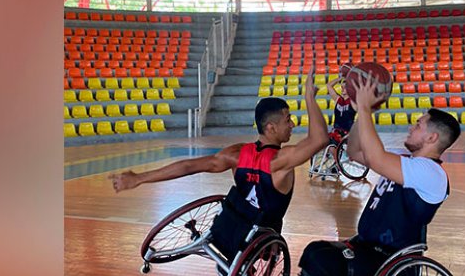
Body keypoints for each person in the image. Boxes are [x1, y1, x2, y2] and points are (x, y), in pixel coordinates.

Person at [287, 75, 462, 276]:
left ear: (433, 138)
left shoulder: (431, 173)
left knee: (322, 260)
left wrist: (367, 109)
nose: (412, 126)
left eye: (419, 124)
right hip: (366, 246)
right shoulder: (408, 164)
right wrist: (357, 112)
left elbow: (377, 158)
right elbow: (356, 153)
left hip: (389, 260)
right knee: (316, 254)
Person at [109, 70, 329, 261]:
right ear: (271, 127)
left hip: (232, 229)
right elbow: (319, 139)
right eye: (288, 120)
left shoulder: (236, 154)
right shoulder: (279, 161)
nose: (292, 124)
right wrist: (309, 97)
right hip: (263, 239)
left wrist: (139, 178)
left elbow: (188, 166)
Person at [320, 72, 356, 173]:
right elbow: (329, 85)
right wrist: (341, 78)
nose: (343, 89)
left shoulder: (353, 102)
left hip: (347, 131)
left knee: (331, 141)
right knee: (324, 140)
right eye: (342, 87)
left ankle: (338, 165)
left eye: (345, 87)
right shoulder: (338, 99)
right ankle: (337, 163)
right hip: (337, 130)